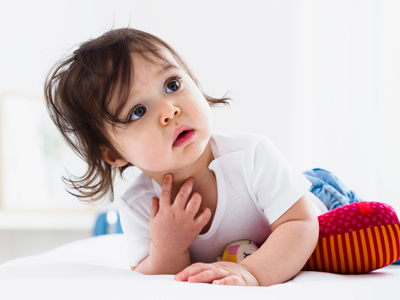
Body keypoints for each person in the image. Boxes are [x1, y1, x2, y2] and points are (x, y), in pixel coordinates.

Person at [45, 28, 329, 286]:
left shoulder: (251, 155)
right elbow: (153, 277)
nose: (169, 110)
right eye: (138, 111)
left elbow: (300, 223)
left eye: (172, 85)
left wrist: (251, 272)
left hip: (318, 195)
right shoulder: (140, 205)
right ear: (113, 153)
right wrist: (168, 248)